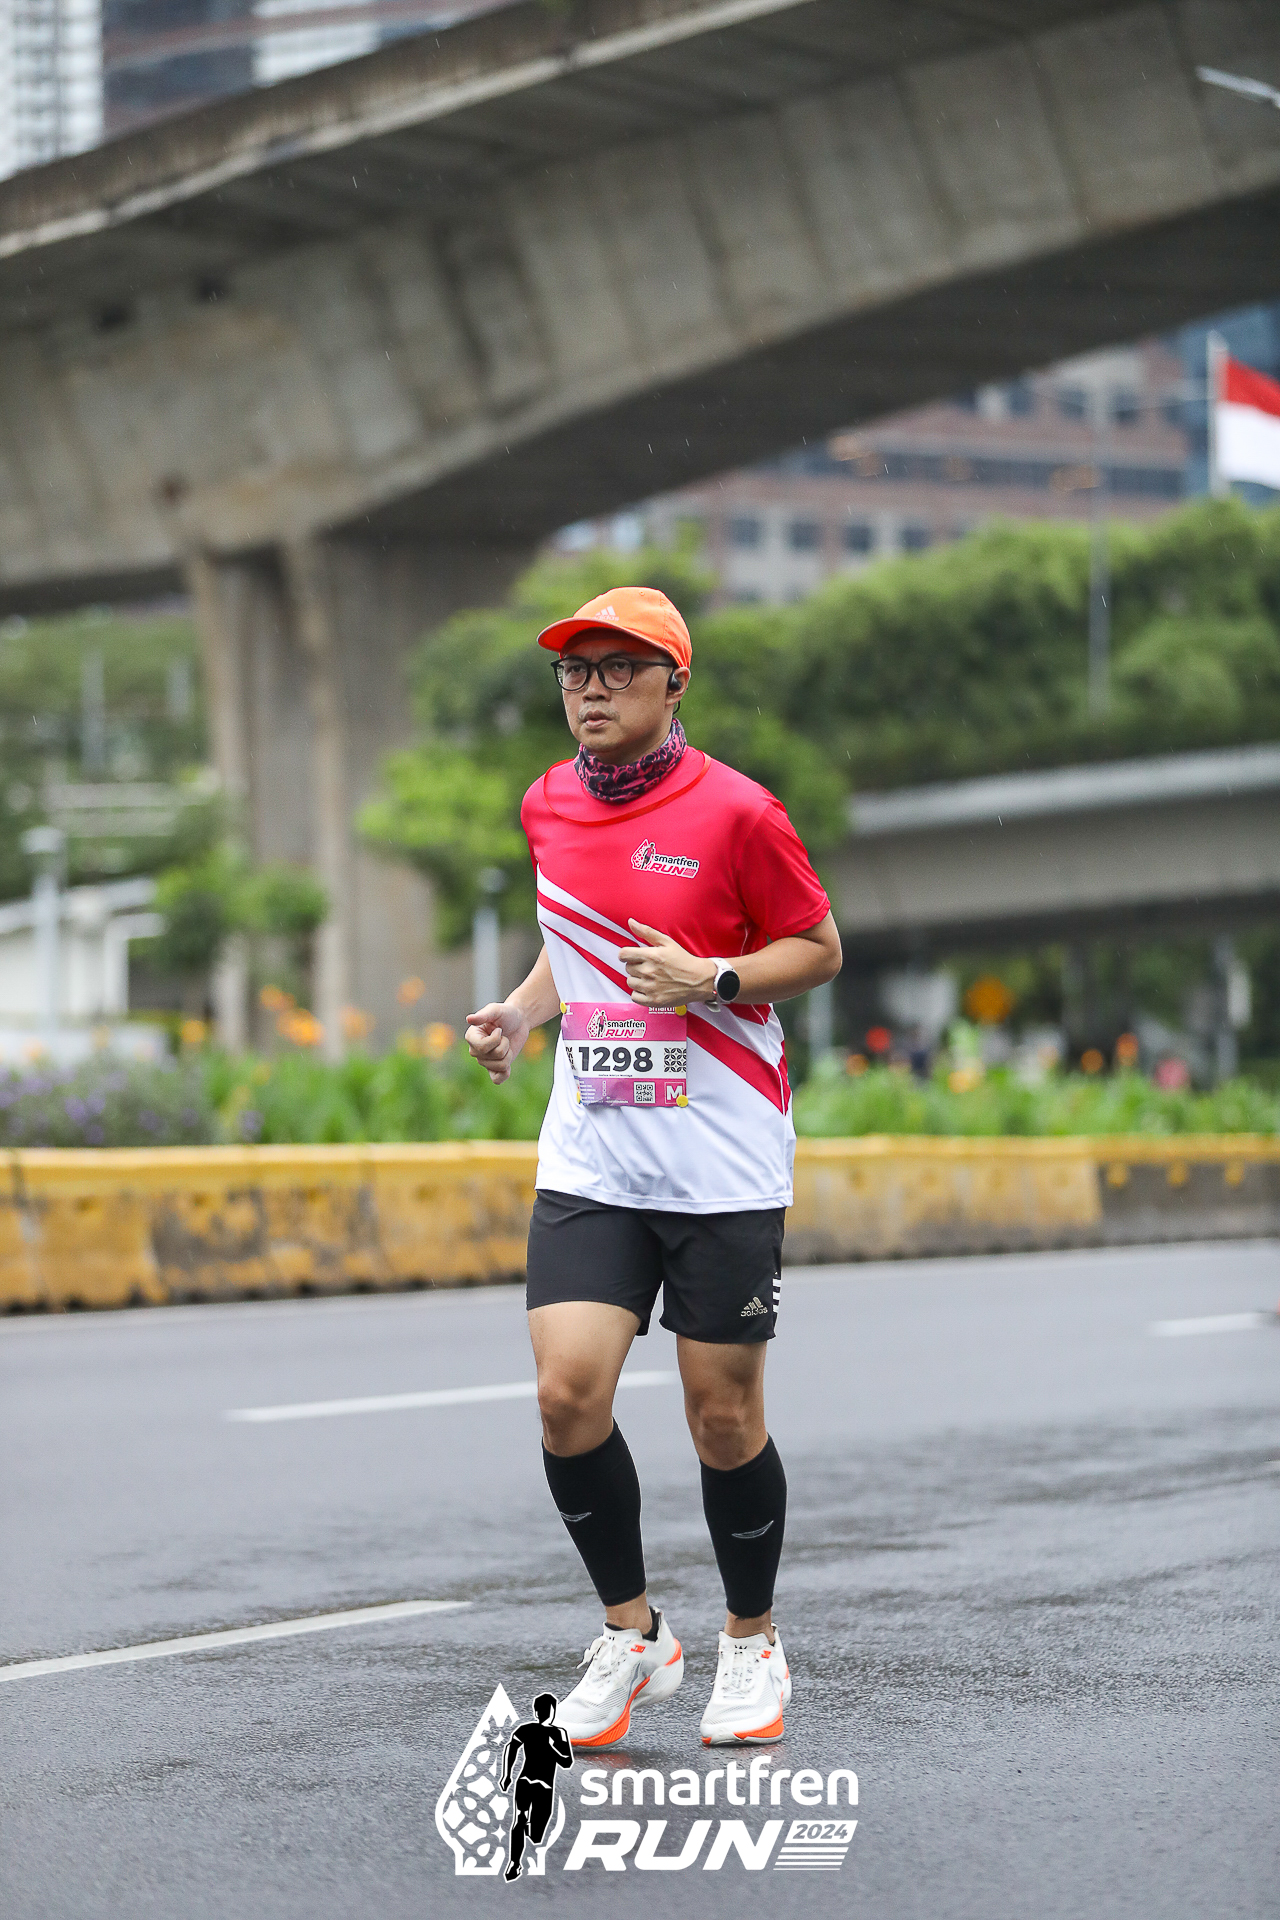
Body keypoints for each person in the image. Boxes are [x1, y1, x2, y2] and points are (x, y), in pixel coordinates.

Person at [465, 586, 841, 1749]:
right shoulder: (545, 802)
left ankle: (749, 1639)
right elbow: (572, 939)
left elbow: (816, 948)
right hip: (593, 1148)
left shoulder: (738, 812)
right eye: (574, 671)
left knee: (720, 1417)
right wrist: (523, 1012)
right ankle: (632, 1636)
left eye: (618, 669)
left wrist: (711, 979)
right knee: (565, 1395)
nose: (590, 689)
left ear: (673, 683)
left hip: (719, 1157)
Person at [498, 1692, 573, 1882]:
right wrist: (506, 1774)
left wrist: (550, 1749)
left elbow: (566, 1762)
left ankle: (525, 1832)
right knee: (521, 1819)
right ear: (542, 1711)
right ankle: (514, 1863)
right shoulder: (534, 1730)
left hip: (535, 1785)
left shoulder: (553, 1732)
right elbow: (511, 1748)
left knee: (534, 1833)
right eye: (546, 1710)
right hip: (532, 1783)